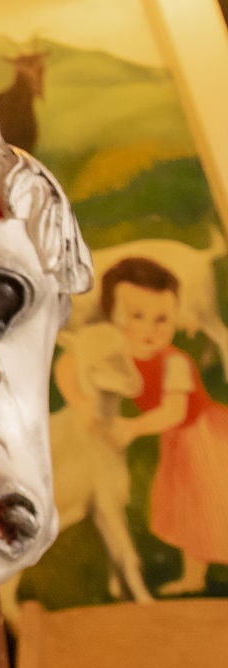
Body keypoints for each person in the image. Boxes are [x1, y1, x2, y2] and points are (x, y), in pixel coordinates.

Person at [92, 255, 228, 594]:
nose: (151, 329)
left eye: (162, 319)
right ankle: (194, 577)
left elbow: (173, 412)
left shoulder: (176, 363)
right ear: (112, 318)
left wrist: (132, 428)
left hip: (205, 441)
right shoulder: (123, 354)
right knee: (190, 512)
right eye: (136, 316)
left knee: (215, 504)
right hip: (179, 445)